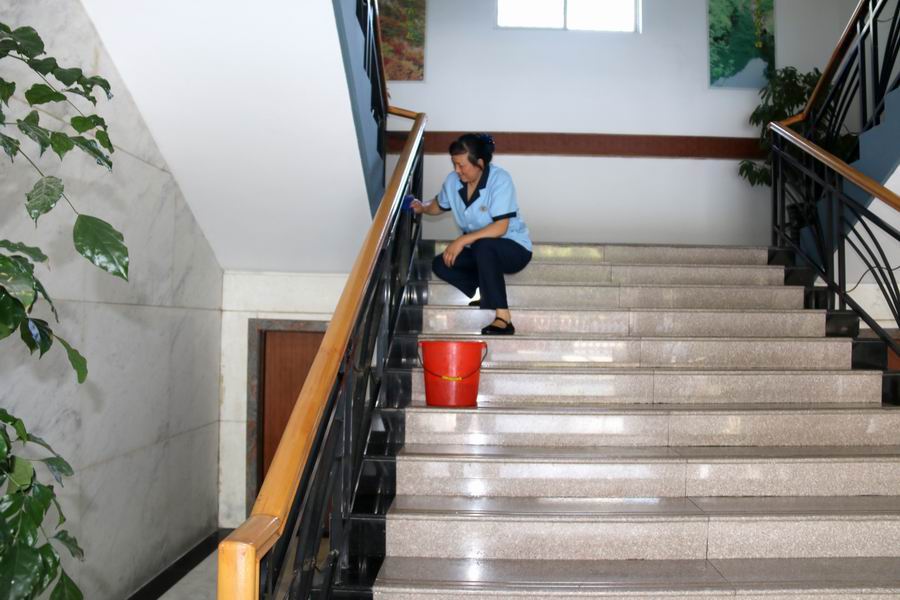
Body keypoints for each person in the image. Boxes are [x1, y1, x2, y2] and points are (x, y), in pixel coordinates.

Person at [411, 133, 532, 335]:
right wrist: (422, 207)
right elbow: (438, 205)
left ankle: (504, 318)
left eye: (462, 165)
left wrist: (461, 240)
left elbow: (500, 227)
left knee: (483, 245)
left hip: (513, 248)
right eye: (454, 164)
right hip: (480, 251)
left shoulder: (500, 179)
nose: (457, 170)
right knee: (441, 263)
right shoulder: (453, 181)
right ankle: (484, 288)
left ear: (480, 164)